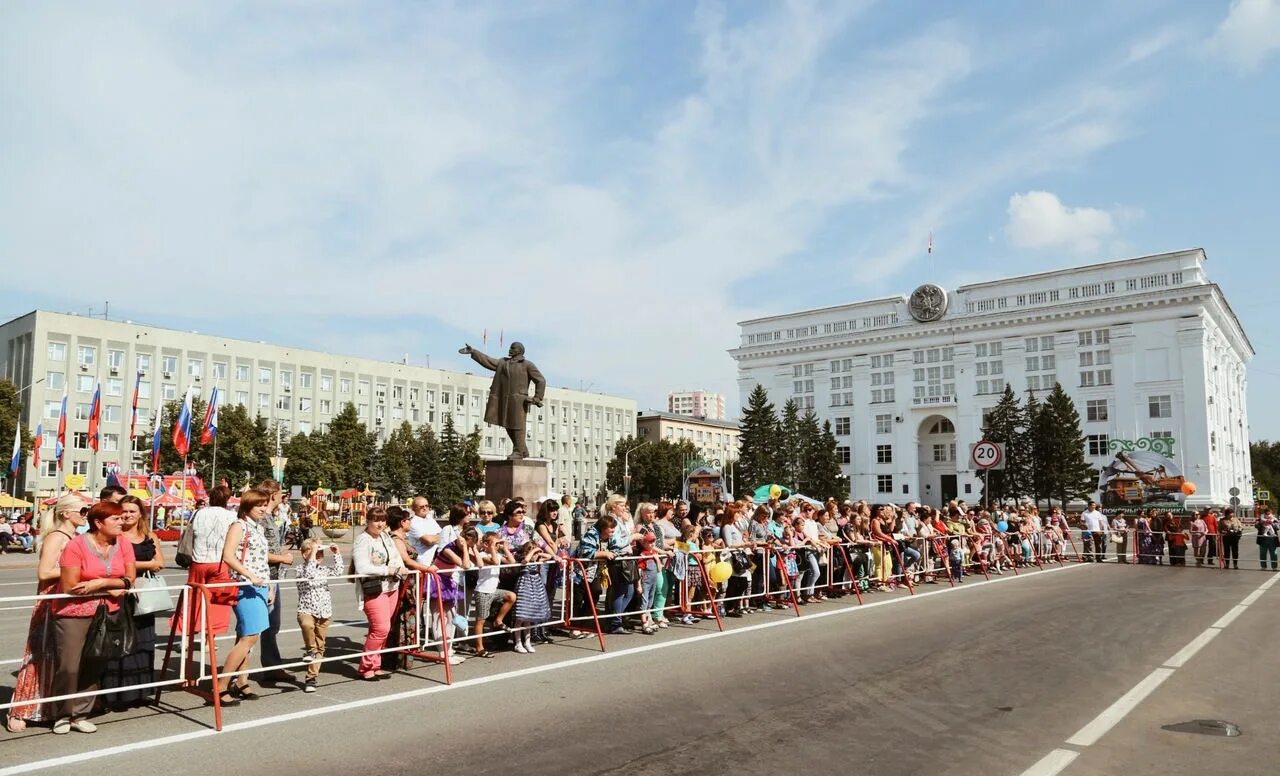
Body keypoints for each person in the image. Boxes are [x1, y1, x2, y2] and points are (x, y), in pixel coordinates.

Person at [53, 501, 137, 734]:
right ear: (98, 523)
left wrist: (102, 583)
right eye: (116, 519)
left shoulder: (124, 544)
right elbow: (71, 585)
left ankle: (80, 714)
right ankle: (62, 714)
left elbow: (130, 579)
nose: (123, 522)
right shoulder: (76, 546)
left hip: (109, 611)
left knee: (96, 661)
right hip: (74, 612)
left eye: (123, 518)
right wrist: (111, 586)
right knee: (69, 665)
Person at [6, 494, 83, 733]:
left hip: (69, 598)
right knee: (40, 653)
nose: (86, 514)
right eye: (83, 510)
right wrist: (74, 570)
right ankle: (21, 709)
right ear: (66, 513)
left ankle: (52, 707)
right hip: (51, 599)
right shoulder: (56, 537)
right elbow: (44, 572)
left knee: (62, 656)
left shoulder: (75, 537)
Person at [102, 495, 164, 710]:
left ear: (140, 514)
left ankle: (140, 691)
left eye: (132, 511)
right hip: (121, 593)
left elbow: (160, 563)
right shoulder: (114, 536)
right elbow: (113, 564)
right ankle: (117, 694)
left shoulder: (149, 535)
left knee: (143, 641)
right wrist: (142, 565)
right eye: (124, 512)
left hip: (145, 595)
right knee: (120, 642)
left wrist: (132, 564)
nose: (127, 515)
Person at [215, 488, 273, 706]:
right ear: (247, 506)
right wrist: (250, 575)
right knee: (249, 637)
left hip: (258, 585)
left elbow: (260, 559)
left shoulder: (256, 527)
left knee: (245, 637)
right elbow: (228, 556)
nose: (263, 509)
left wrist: (268, 586)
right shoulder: (239, 525)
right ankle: (221, 686)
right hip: (245, 586)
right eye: (259, 505)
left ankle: (241, 681)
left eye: (265, 504)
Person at [353, 506, 406, 680]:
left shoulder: (385, 537)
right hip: (374, 589)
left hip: (392, 587)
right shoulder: (363, 540)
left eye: (383, 520)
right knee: (381, 628)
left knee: (382, 628)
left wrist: (400, 567)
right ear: (367, 521)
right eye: (376, 520)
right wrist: (388, 570)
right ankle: (366, 666)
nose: (380, 524)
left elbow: (396, 557)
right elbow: (362, 567)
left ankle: (376, 664)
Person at [178, 485, 237, 641]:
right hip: (220, 562)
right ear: (227, 499)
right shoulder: (231, 516)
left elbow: (191, 533)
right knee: (217, 602)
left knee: (193, 600)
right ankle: (209, 638)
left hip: (199, 561)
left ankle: (187, 637)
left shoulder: (199, 513)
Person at [254, 479, 293, 682]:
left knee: (272, 624)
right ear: (272, 495)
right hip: (264, 577)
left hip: (273, 576)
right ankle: (267, 667)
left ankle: (272, 665)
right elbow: (259, 552)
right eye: (279, 493)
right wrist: (283, 558)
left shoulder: (269, 516)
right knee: (260, 625)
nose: (282, 496)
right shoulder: (262, 518)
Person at [296, 538, 342, 693]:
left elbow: (338, 571)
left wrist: (336, 554)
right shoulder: (300, 569)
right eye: (315, 552)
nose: (319, 555)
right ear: (304, 554)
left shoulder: (323, 570)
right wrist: (313, 552)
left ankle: (311, 677)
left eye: (321, 552)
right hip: (307, 609)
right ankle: (310, 649)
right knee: (307, 625)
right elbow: (309, 574)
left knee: (320, 646)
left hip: (324, 611)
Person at [470, 531, 516, 658]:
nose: (497, 546)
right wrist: (491, 548)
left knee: (511, 596)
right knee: (481, 620)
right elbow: (495, 562)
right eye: (495, 543)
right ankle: (479, 647)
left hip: (493, 590)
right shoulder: (483, 554)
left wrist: (505, 548)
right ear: (486, 544)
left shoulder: (497, 554)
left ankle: (498, 620)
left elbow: (512, 562)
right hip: (483, 591)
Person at [512, 539, 553, 652]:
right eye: (531, 551)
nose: (534, 554)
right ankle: (518, 642)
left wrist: (538, 553)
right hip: (525, 586)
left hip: (535, 586)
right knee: (521, 616)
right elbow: (525, 561)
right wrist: (533, 551)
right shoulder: (522, 558)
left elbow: (549, 556)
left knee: (529, 617)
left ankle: (527, 642)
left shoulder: (536, 558)